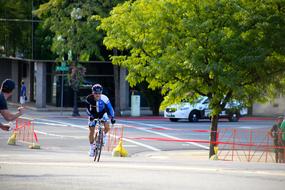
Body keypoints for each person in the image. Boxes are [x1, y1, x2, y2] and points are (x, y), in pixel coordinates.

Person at [85, 83, 115, 157]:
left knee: (107, 127)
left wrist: (112, 117)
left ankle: (103, 136)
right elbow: (87, 110)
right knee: (91, 130)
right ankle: (92, 148)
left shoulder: (105, 98)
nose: (97, 95)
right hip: (93, 114)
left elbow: (110, 108)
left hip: (102, 113)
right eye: (96, 93)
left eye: (99, 93)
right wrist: (91, 116)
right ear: (93, 93)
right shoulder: (89, 99)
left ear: (101, 93)